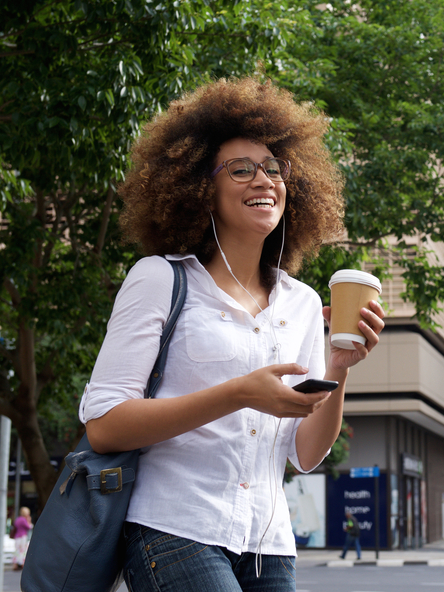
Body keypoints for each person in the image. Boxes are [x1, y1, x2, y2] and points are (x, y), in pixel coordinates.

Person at [80, 77, 385, 591]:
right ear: (202, 189)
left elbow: (306, 454)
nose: (262, 180)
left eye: (273, 168)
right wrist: (239, 394)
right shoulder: (160, 278)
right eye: (241, 170)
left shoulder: (304, 303)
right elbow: (105, 425)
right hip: (173, 528)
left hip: (268, 543)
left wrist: (338, 369)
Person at [11, 507, 33, 571]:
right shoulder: (24, 520)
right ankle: (22, 564)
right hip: (23, 536)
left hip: (17, 536)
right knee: (23, 551)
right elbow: (29, 527)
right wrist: (29, 521)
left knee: (17, 550)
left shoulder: (17, 519)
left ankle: (15, 564)